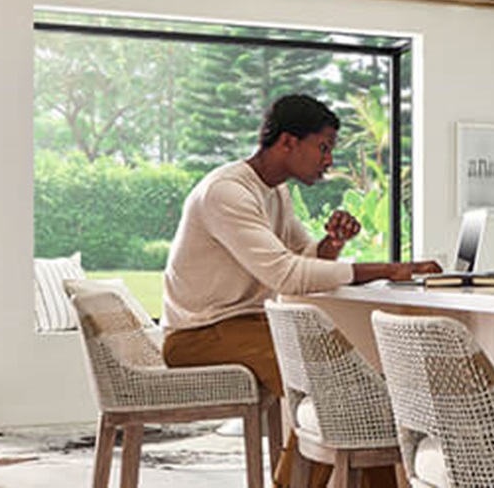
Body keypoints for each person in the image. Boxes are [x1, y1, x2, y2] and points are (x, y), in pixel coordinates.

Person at [161, 92, 439, 488]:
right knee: (338, 389)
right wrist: (392, 269)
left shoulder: (275, 191)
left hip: (246, 325)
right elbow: (287, 275)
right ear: (288, 142)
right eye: (323, 147)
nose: (328, 160)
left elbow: (300, 256)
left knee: (348, 388)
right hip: (199, 335)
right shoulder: (227, 192)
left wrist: (331, 246)